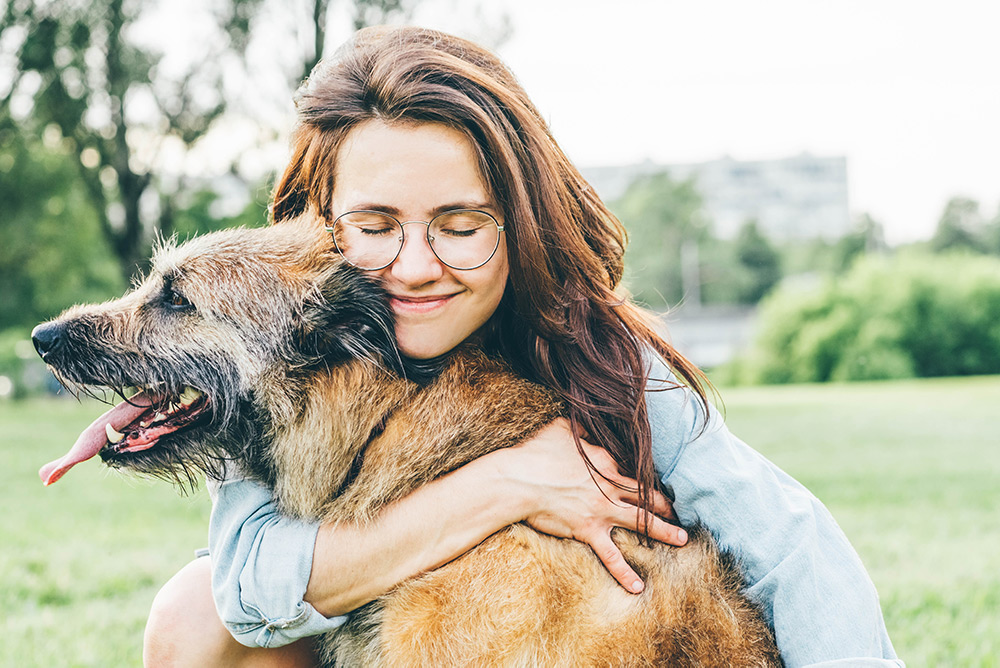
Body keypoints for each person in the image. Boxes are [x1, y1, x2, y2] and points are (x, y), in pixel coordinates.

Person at [143, 26, 902, 667]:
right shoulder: (274, 342)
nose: (414, 266)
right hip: (389, 618)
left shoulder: (600, 353)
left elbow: (790, 545)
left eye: (462, 225)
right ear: (322, 222)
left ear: (519, 223)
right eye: (374, 227)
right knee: (191, 613)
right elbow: (247, 589)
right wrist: (509, 483)